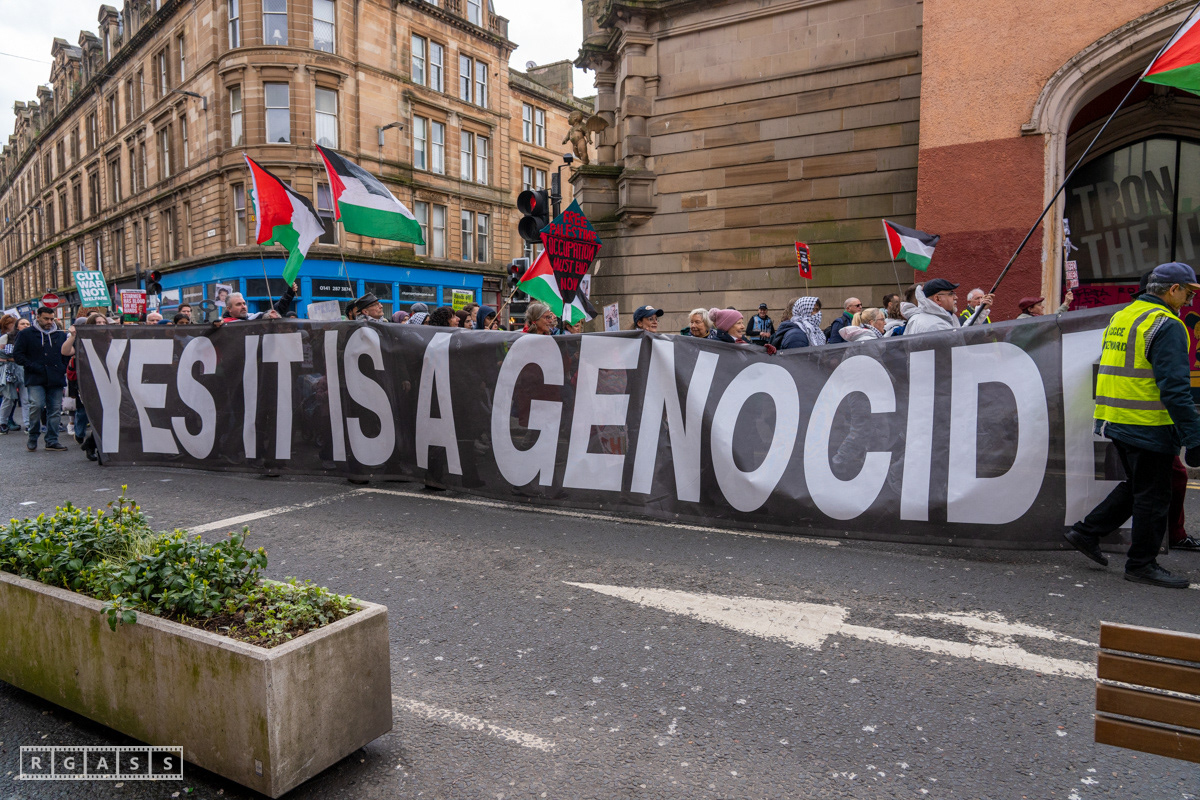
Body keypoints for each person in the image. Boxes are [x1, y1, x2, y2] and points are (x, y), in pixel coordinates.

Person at [1064, 262, 1200, 589]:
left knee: (1138, 486)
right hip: (1147, 423)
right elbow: (1175, 388)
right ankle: (1141, 564)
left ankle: (1086, 532)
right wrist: (1194, 435)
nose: (1191, 300)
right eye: (1189, 292)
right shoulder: (1167, 324)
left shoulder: (1125, 315)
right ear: (1173, 289)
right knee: (1153, 497)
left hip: (1116, 419)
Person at [13, 306, 70, 452]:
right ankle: (33, 436)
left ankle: (52, 440)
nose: (49, 322)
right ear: (38, 317)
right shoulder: (26, 334)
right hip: (35, 376)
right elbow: (18, 355)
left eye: (51, 319)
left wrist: (62, 367)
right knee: (36, 406)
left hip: (56, 377)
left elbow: (66, 353)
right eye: (46, 319)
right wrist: (32, 366)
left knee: (55, 410)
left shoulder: (60, 334)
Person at [903, 279, 994, 336]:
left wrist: (982, 310)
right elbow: (958, 348)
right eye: (951, 294)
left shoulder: (932, 318)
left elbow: (960, 335)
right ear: (937, 299)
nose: (956, 297)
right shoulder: (934, 324)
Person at [0, 316, 30, 434]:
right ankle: (2, 423)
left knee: (26, 399)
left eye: (28, 324)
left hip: (25, 370)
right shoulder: (7, 337)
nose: (26, 326)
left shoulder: (32, 337)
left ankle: (28, 424)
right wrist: (8, 359)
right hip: (10, 370)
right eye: (23, 324)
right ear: (17, 326)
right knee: (9, 398)